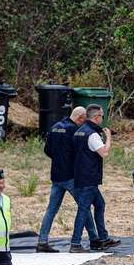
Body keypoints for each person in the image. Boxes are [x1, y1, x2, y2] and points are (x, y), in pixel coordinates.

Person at [36, 106, 99, 253]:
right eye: (84, 120)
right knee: (84, 207)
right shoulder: (75, 131)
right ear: (80, 117)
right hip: (71, 177)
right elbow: (80, 153)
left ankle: (42, 241)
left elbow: (47, 150)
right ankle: (94, 238)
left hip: (56, 176)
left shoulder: (55, 127)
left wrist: (59, 160)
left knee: (51, 210)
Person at [69, 104, 121, 253]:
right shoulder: (92, 134)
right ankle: (75, 243)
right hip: (89, 178)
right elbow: (104, 152)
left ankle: (103, 239)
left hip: (80, 176)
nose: (102, 119)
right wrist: (109, 137)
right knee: (83, 210)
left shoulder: (79, 131)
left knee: (100, 204)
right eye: (102, 116)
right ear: (96, 117)